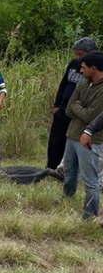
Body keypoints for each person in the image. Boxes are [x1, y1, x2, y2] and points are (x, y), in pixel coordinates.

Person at [47, 37, 98, 178]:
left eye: (80, 54)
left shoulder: (95, 70)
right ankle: (50, 169)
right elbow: (63, 84)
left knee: (72, 144)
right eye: (76, 54)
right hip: (63, 109)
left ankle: (68, 173)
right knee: (55, 141)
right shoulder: (74, 64)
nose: (78, 58)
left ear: (91, 53)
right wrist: (57, 105)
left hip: (80, 113)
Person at [62, 51, 103, 220]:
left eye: (84, 67)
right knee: (69, 172)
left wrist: (78, 107)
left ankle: (90, 214)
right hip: (72, 134)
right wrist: (81, 108)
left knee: (90, 179)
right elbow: (68, 108)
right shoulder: (83, 83)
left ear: (94, 68)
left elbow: (91, 116)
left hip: (91, 140)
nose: (80, 70)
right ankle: (67, 199)